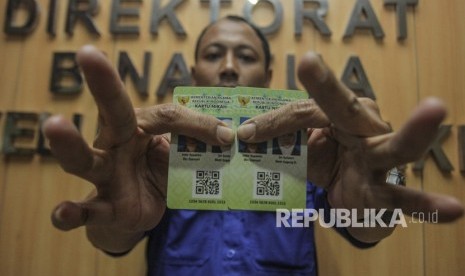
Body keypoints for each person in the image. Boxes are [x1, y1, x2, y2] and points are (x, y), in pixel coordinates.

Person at [43, 15, 464, 275]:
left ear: (266, 76)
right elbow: (111, 241)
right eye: (214, 55)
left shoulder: (310, 152)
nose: (228, 67)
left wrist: (386, 180)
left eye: (244, 55)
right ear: (193, 73)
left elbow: (367, 227)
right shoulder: (156, 155)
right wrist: (110, 217)